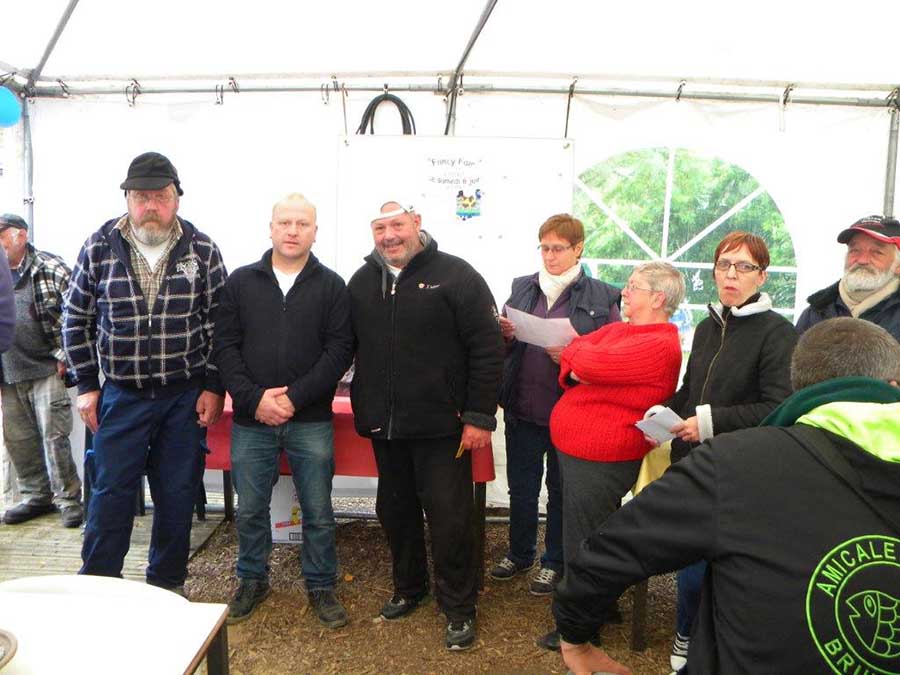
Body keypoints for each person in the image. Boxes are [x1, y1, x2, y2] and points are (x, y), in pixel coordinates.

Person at [554, 317, 900, 675]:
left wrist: (574, 634)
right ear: (893, 384)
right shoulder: (708, 330)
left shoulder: (734, 463)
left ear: (797, 386)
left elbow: (613, 550)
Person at [63, 152, 227, 594]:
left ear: (177, 199)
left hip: (183, 397)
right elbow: (75, 319)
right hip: (121, 395)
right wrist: (86, 385)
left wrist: (214, 385)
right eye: (141, 197)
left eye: (161, 196)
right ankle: (99, 585)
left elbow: (220, 324)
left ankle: (166, 585)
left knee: (177, 493)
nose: (150, 206)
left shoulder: (203, 250)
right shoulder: (99, 247)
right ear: (127, 200)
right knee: (110, 492)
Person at [347, 200, 503, 651]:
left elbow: (487, 347)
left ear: (417, 223)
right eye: (380, 227)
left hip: (443, 428)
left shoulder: (457, 275)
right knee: (395, 513)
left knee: (450, 519)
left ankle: (459, 606)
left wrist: (479, 415)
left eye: (397, 224)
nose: (389, 235)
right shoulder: (361, 282)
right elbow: (344, 345)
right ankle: (409, 587)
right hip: (386, 428)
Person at [658, 230, 798, 672]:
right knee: (691, 556)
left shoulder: (778, 333)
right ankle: (688, 630)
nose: (731, 274)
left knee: (710, 564)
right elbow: (691, 389)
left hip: (740, 466)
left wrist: (709, 423)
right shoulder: (706, 327)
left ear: (762, 275)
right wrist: (663, 415)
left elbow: (777, 406)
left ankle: (705, 636)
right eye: (724, 265)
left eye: (743, 266)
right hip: (694, 460)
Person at [213, 194, 353, 627]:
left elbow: (339, 351)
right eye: (285, 223)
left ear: (315, 232)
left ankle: (321, 584)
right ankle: (252, 580)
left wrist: (294, 398)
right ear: (271, 228)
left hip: (310, 420)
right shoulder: (240, 283)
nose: (293, 231)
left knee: (319, 511)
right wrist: (254, 399)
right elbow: (225, 347)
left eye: (302, 224)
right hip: (252, 420)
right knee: (250, 509)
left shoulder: (332, 286)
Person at [535, 261, 684, 651]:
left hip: (602, 455)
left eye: (634, 287)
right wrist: (580, 361)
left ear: (658, 298)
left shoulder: (660, 344)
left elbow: (587, 360)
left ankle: (580, 628)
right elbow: (582, 353)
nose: (624, 292)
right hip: (582, 450)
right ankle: (598, 606)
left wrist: (579, 360)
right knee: (586, 532)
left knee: (583, 540)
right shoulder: (622, 330)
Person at [491, 214, 620, 596]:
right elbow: (501, 349)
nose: (549, 256)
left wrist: (575, 355)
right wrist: (505, 335)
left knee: (562, 491)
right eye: (544, 248)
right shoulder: (522, 287)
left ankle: (554, 561)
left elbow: (611, 355)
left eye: (558, 249)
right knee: (522, 488)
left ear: (578, 249)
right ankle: (519, 553)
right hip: (523, 406)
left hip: (571, 413)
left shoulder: (603, 296)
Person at [0, 213, 83, 527]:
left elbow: (79, 314)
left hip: (47, 366)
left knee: (55, 438)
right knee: (18, 440)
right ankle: (36, 496)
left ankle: (69, 500)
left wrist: (65, 355)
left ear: (21, 235)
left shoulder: (51, 267)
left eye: (1, 235)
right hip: (8, 373)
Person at [797, 214, 900, 340]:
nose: (862, 260)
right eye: (855, 250)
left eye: (876, 252)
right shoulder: (816, 312)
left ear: (898, 265)